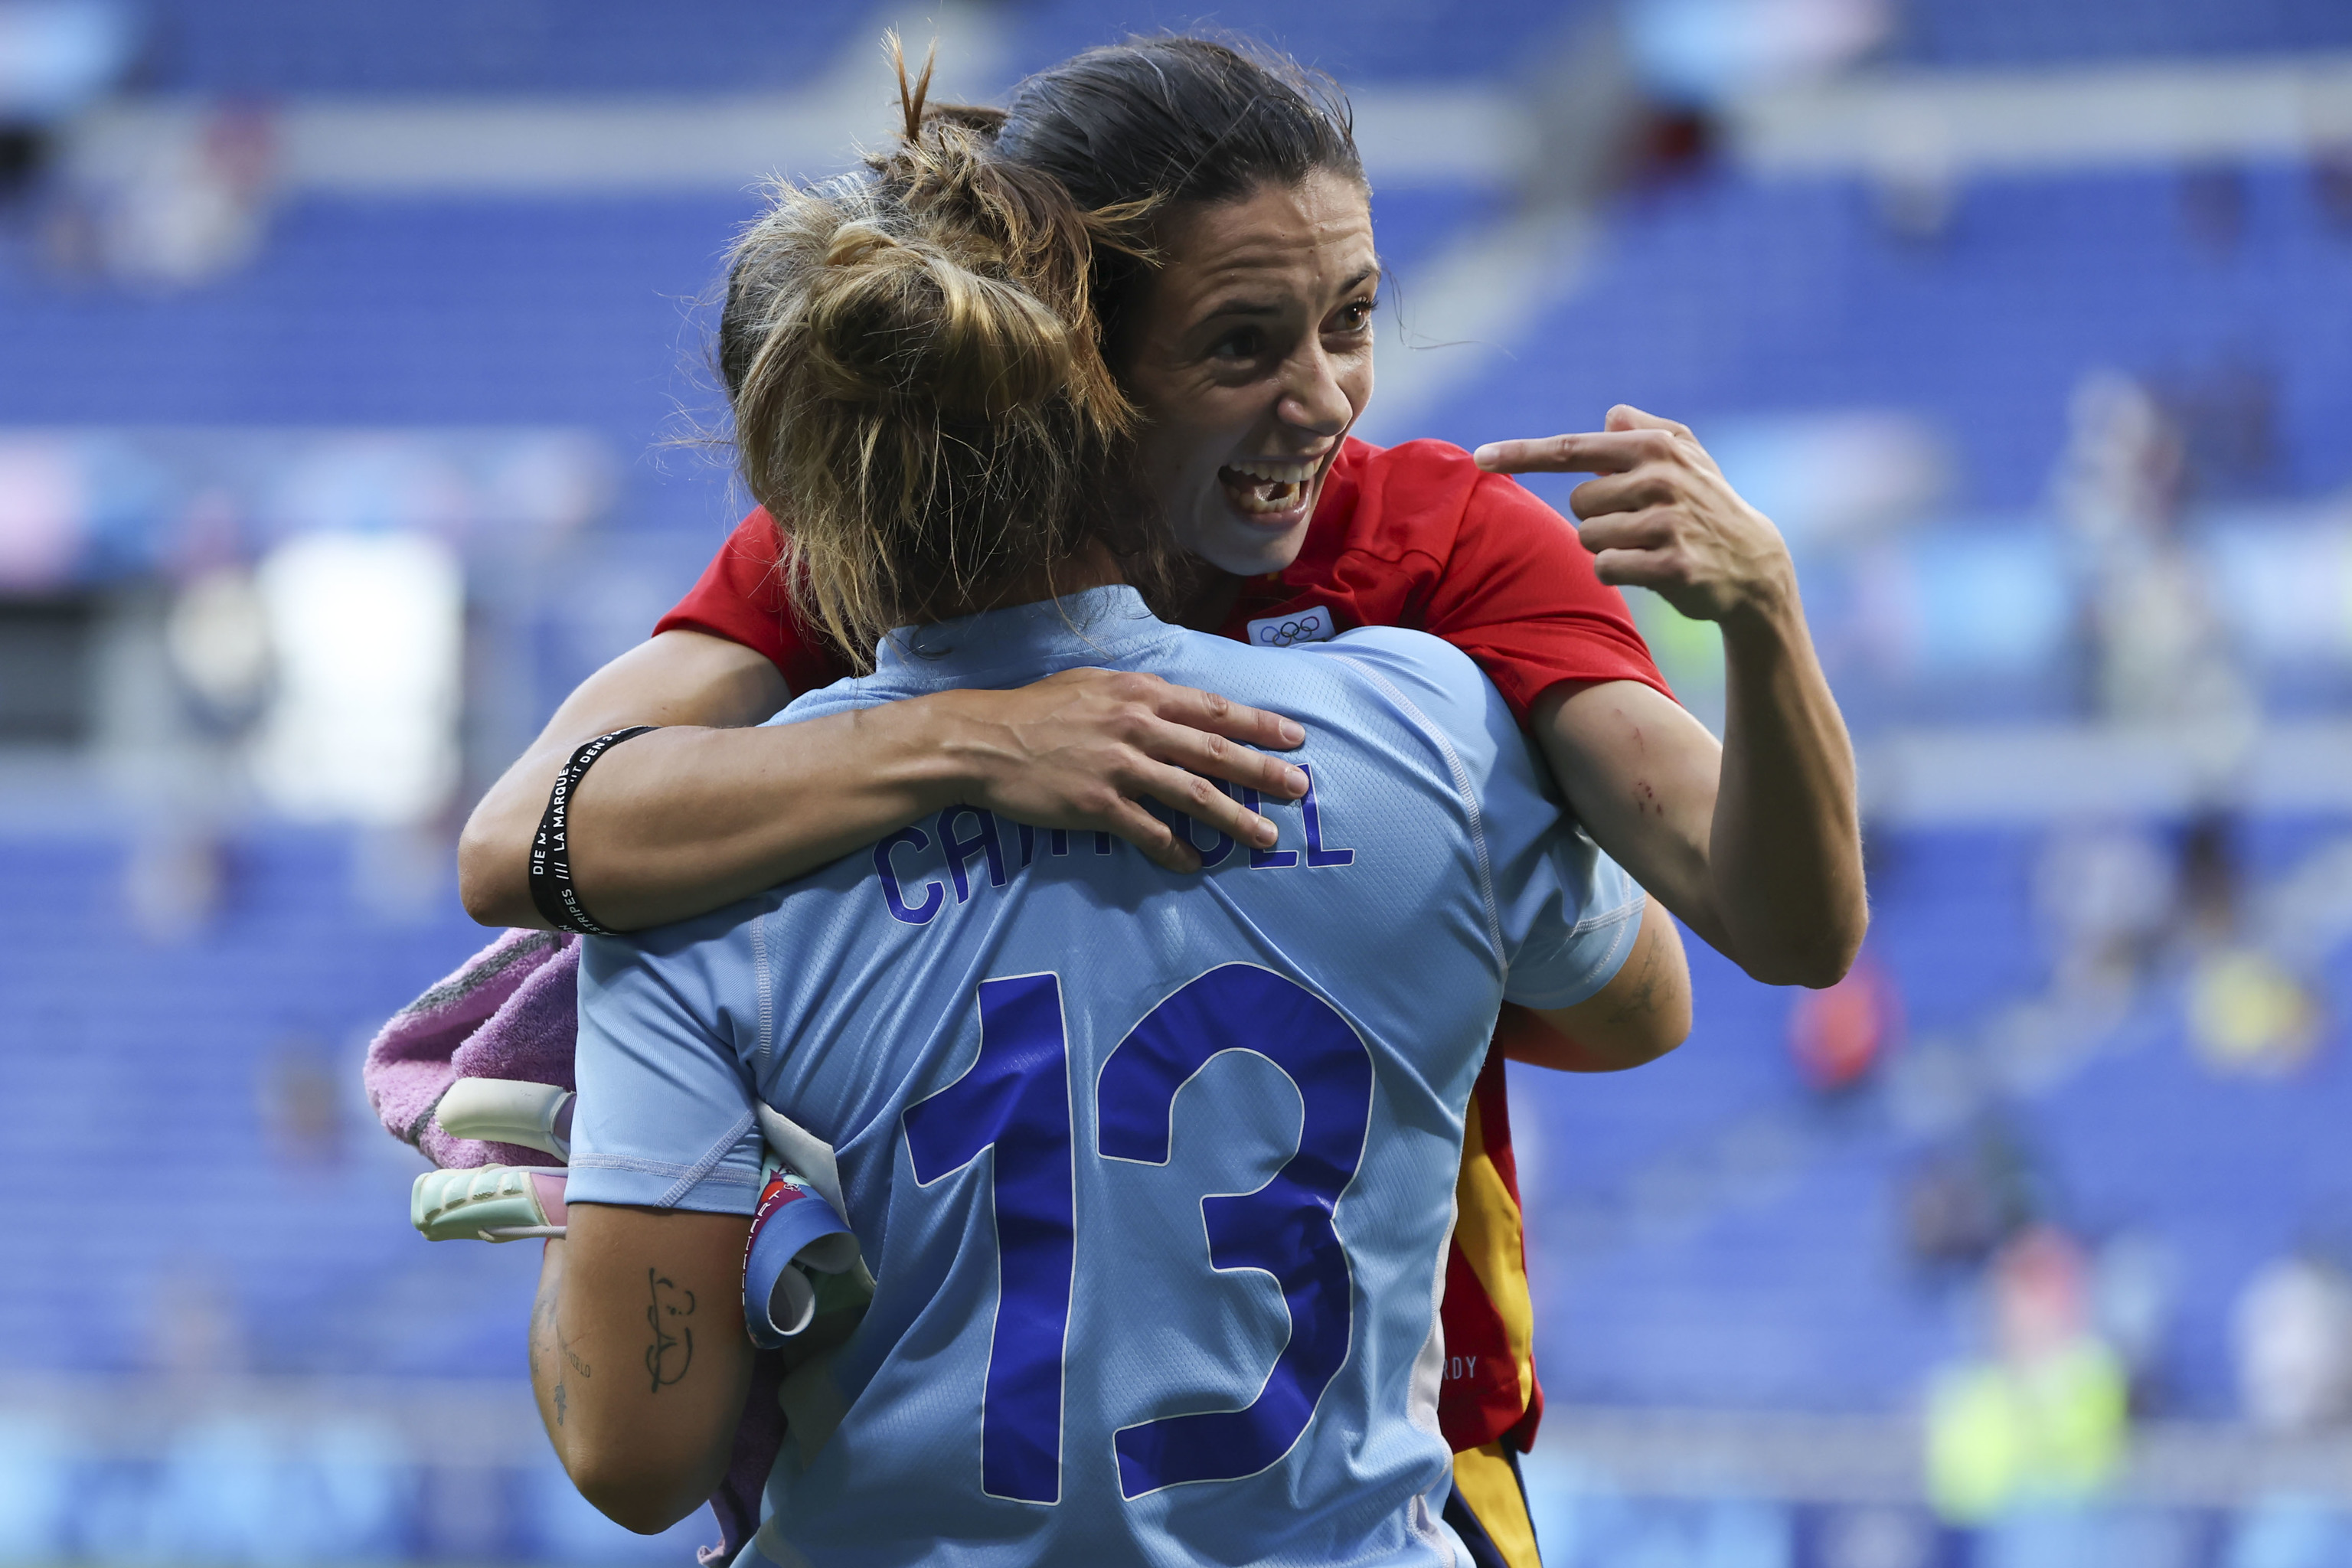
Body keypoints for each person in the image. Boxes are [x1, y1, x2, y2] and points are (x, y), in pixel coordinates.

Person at [462, 35, 1864, 1566]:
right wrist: (985, 744)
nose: (1322, 398)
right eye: (1244, 343)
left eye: (1352, 322)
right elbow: (509, 840)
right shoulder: (1390, 701)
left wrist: (1764, 616)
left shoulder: (1442, 548)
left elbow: (1762, 934)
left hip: (1351, 1420)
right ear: (1079, 350)